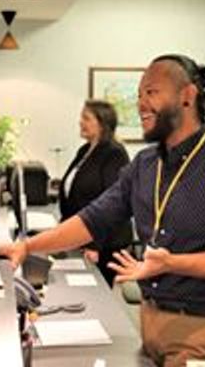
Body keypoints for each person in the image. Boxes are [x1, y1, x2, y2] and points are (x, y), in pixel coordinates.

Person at [1, 54, 205, 366]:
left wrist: (172, 263)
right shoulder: (145, 164)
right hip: (151, 324)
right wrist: (27, 246)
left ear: (187, 96)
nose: (141, 104)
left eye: (152, 92)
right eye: (139, 95)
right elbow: (93, 220)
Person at [58, 100, 132, 286]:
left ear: (102, 123)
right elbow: (74, 193)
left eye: (86, 118)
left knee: (93, 294)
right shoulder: (85, 150)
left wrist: (94, 245)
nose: (80, 122)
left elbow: (111, 204)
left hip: (104, 244)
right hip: (82, 236)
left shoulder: (114, 153)